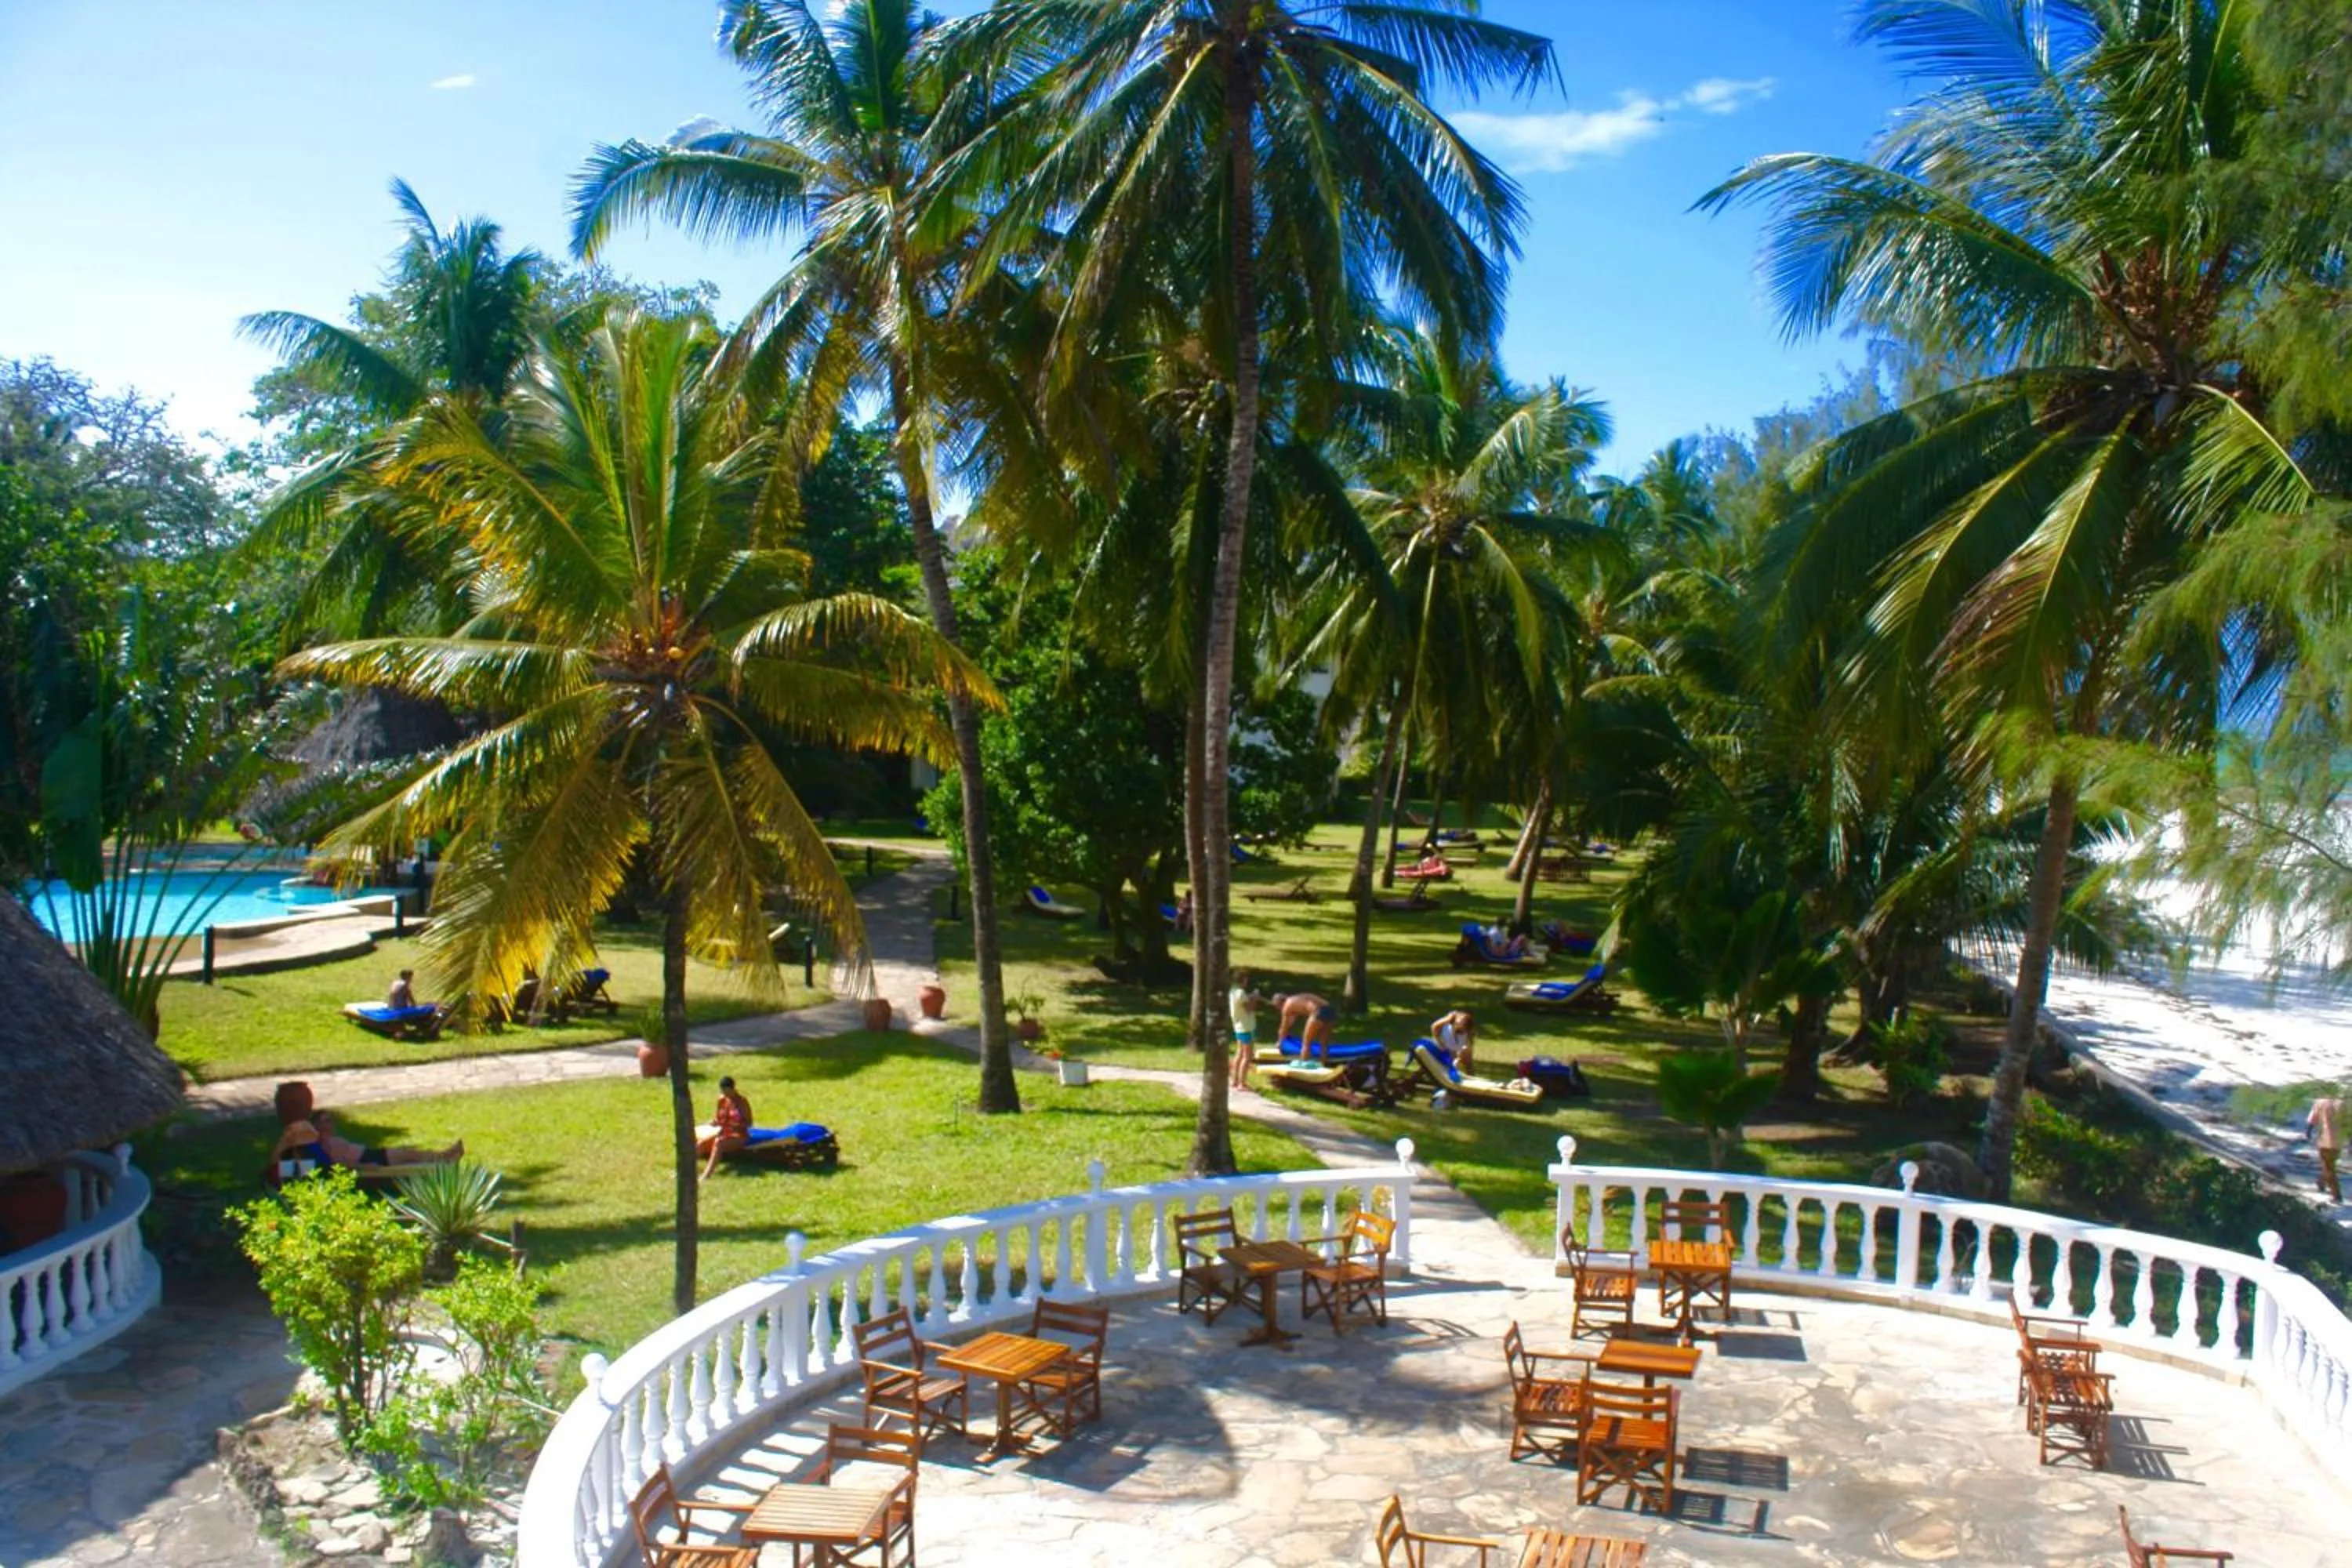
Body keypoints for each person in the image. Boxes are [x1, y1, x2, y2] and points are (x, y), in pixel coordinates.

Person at [275, 1109, 459, 1172]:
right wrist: (366, 1167)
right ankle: (444, 1158)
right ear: (317, 1125)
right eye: (327, 1120)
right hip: (368, 1159)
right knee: (408, 1154)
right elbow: (337, 1165)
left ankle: (443, 1157)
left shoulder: (324, 1141)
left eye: (331, 1119)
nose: (332, 1122)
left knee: (409, 1153)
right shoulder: (320, 1144)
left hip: (369, 1153)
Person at [698, 1076, 754, 1180]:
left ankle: (706, 1175)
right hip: (723, 1132)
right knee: (701, 1144)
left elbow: (749, 1123)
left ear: (732, 1089)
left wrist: (733, 1125)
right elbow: (718, 1118)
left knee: (719, 1143)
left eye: (726, 1091)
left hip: (739, 1135)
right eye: (722, 1091)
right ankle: (685, 1171)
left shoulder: (741, 1102)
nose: (724, 1093)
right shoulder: (722, 1100)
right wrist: (714, 1122)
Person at [1229, 971, 1265, 1090]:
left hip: (1239, 1026)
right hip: (1246, 1027)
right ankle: (1241, 1083)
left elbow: (1243, 1002)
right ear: (1243, 979)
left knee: (1239, 1053)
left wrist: (1251, 996)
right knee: (1247, 1056)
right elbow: (1249, 1008)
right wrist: (1254, 998)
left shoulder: (1233, 991)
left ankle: (1234, 1081)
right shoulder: (1241, 993)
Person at [2309, 1092, 2344, 1204]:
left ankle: (2336, 1195)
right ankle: (2321, 1182)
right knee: (2329, 1164)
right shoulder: (2343, 1104)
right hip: (2339, 1140)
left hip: (2325, 1140)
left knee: (2329, 1167)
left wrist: (2308, 1132)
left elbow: (2312, 1120)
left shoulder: (2320, 1103)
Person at [1432, 1008, 1477, 1075]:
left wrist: (1464, 1052)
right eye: (1461, 1017)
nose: (1461, 1018)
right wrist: (1440, 1042)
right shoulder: (1448, 1023)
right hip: (1443, 1052)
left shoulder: (1464, 1033)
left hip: (1454, 1053)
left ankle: (1471, 1076)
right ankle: (1456, 1067)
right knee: (1458, 1055)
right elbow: (1434, 1027)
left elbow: (1469, 1046)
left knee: (1466, 1054)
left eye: (1464, 1020)